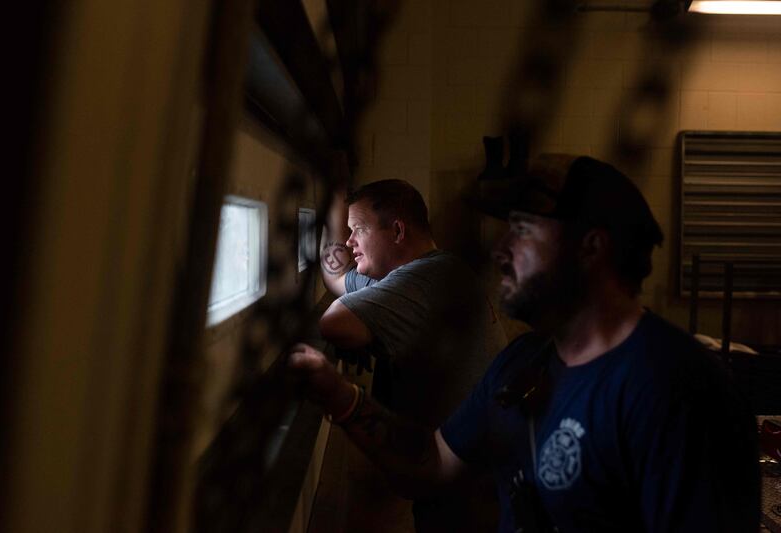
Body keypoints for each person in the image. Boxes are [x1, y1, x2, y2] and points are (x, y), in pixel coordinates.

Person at [292, 155, 760, 532]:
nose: (502, 250)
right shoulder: (524, 363)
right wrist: (342, 398)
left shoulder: (681, 388)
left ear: (591, 248)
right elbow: (433, 461)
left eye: (524, 230)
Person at [317, 178, 506, 531]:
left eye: (357, 230)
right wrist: (334, 201)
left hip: (467, 492)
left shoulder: (427, 280)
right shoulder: (414, 276)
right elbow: (337, 277)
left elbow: (334, 323)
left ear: (398, 231)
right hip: (456, 472)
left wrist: (364, 326)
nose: (349, 241)